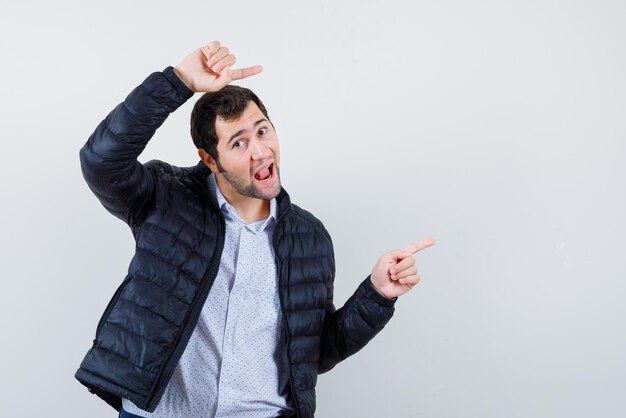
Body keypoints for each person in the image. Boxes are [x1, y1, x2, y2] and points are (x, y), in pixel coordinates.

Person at [75, 41, 436, 418]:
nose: (261, 151)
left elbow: (315, 353)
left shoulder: (308, 237)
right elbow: (101, 161)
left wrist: (377, 295)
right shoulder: (166, 198)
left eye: (263, 131)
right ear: (210, 159)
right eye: (239, 142)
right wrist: (177, 81)